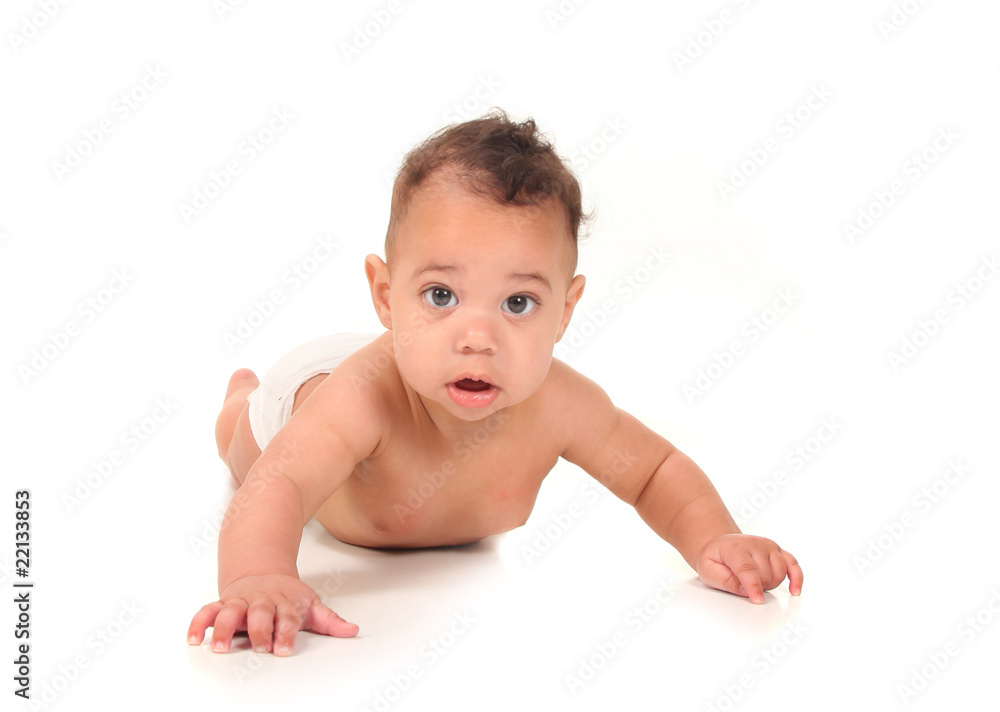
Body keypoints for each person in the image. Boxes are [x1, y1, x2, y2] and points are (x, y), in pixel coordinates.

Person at [188, 110, 803, 656]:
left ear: (564, 309)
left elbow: (653, 469)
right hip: (310, 391)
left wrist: (715, 536)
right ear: (385, 295)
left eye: (517, 302)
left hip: (414, 362)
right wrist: (257, 576)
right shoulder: (358, 402)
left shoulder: (560, 404)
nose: (478, 337)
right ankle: (239, 398)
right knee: (244, 448)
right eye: (441, 295)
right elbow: (282, 482)